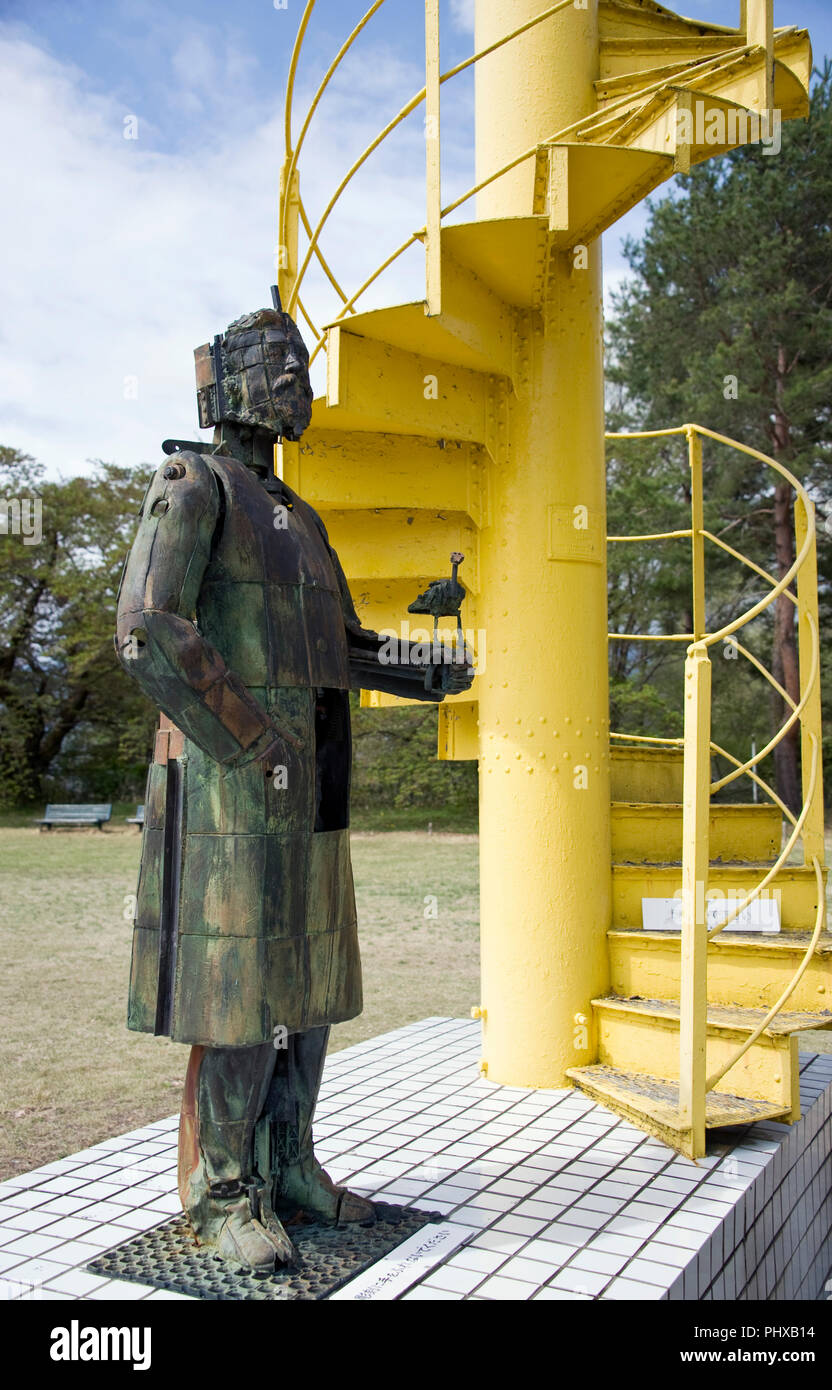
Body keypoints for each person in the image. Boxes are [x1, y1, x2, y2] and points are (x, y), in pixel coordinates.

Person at [115, 302, 474, 1273]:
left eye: (300, 366)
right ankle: (225, 1188)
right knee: (238, 991)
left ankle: (294, 1162)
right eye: (275, 365)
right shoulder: (193, 487)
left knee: (306, 985)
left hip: (312, 776)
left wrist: (423, 662)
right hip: (231, 786)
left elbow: (342, 647)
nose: (295, 383)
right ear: (225, 381)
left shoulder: (301, 519)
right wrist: (251, 738)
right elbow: (148, 625)